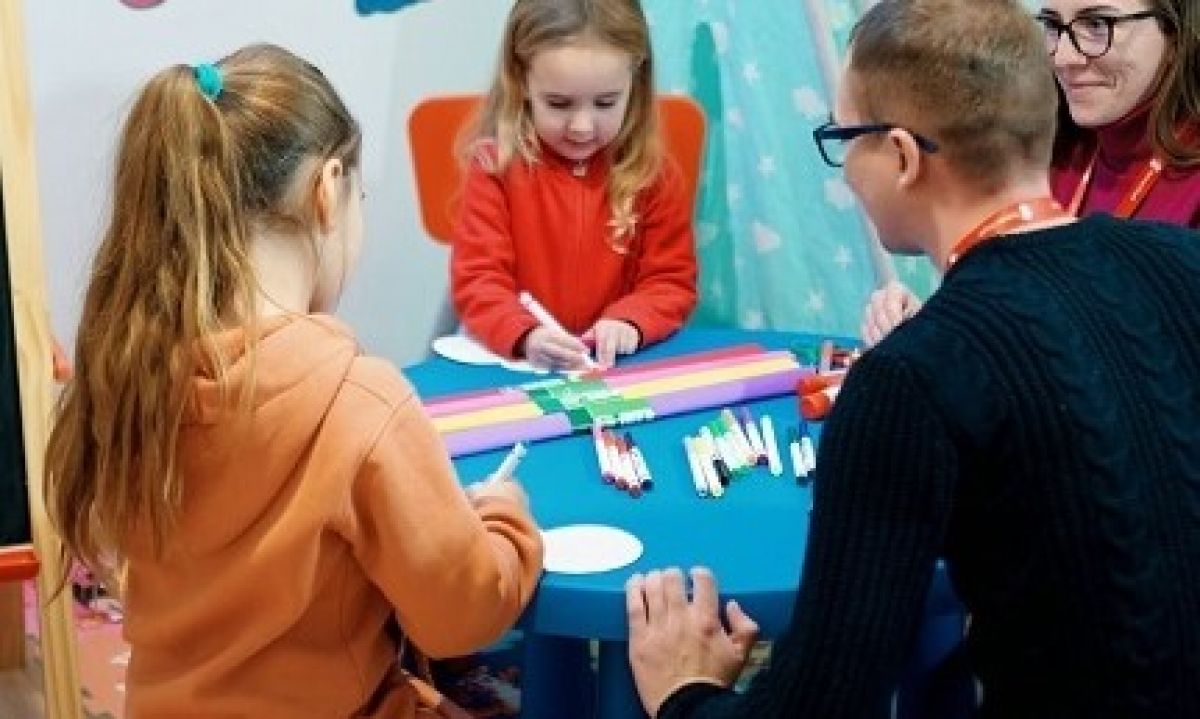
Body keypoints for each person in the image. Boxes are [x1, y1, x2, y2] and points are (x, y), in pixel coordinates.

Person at [625, 1, 1200, 717]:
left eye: (843, 139)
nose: (845, 172)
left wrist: (682, 689)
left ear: (900, 156)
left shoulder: (906, 378)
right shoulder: (1183, 262)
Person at [44, 44, 543, 718]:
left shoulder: (130, 373)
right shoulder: (359, 402)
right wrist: (505, 517)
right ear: (327, 190)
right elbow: (461, 615)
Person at [861, 0, 1200, 346]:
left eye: (1097, 24)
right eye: (1052, 26)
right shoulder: (1047, 147)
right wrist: (944, 326)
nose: (1063, 57)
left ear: (1176, 31)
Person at [451, 0, 697, 371]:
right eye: (559, 103)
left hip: (615, 367)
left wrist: (630, 321)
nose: (582, 126)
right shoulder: (494, 167)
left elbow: (670, 280)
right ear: (521, 80)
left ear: (635, 83)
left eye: (605, 103)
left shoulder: (652, 173)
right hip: (519, 362)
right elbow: (478, 280)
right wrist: (526, 334)